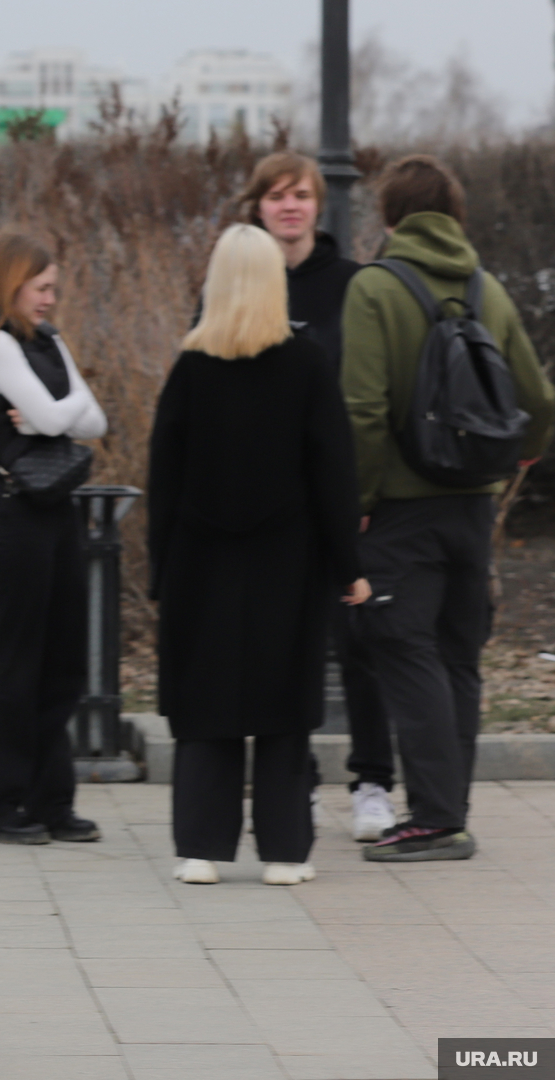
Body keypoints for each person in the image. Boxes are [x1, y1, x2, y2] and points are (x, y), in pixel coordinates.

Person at [343, 155, 555, 863]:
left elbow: (361, 409)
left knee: (407, 654)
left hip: (400, 514)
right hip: (472, 510)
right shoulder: (486, 287)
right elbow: (538, 399)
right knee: (459, 657)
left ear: (389, 217)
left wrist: (356, 504)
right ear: (456, 215)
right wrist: (514, 461)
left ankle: (435, 820)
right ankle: (449, 812)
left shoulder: (374, 287)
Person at [149, 224, 370, 886]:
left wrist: (160, 567)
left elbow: (164, 477)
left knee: (205, 703)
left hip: (199, 560)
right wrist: (348, 564)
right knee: (283, 705)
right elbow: (333, 473)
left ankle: (201, 847)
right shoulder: (307, 365)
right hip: (288, 560)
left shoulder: (190, 370)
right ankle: (284, 850)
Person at [239, 151, 396, 842]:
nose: (289, 206)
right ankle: (291, 782)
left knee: (360, 643)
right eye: (276, 195)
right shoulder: (237, 282)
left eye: (300, 194)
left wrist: (358, 491)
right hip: (265, 509)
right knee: (278, 652)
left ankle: (372, 782)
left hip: (337, 499)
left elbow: (369, 396)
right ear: (258, 206)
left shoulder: (352, 284)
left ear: (317, 205)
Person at [0, 232, 108, 845]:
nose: (50, 299)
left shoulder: (48, 340)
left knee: (62, 663)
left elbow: (96, 418)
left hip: (57, 512)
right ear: (11, 282)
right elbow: (62, 416)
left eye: (54, 289)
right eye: (41, 287)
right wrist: (56, 410)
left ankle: (51, 801)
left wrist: (52, 410)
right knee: (13, 664)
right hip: (12, 516)